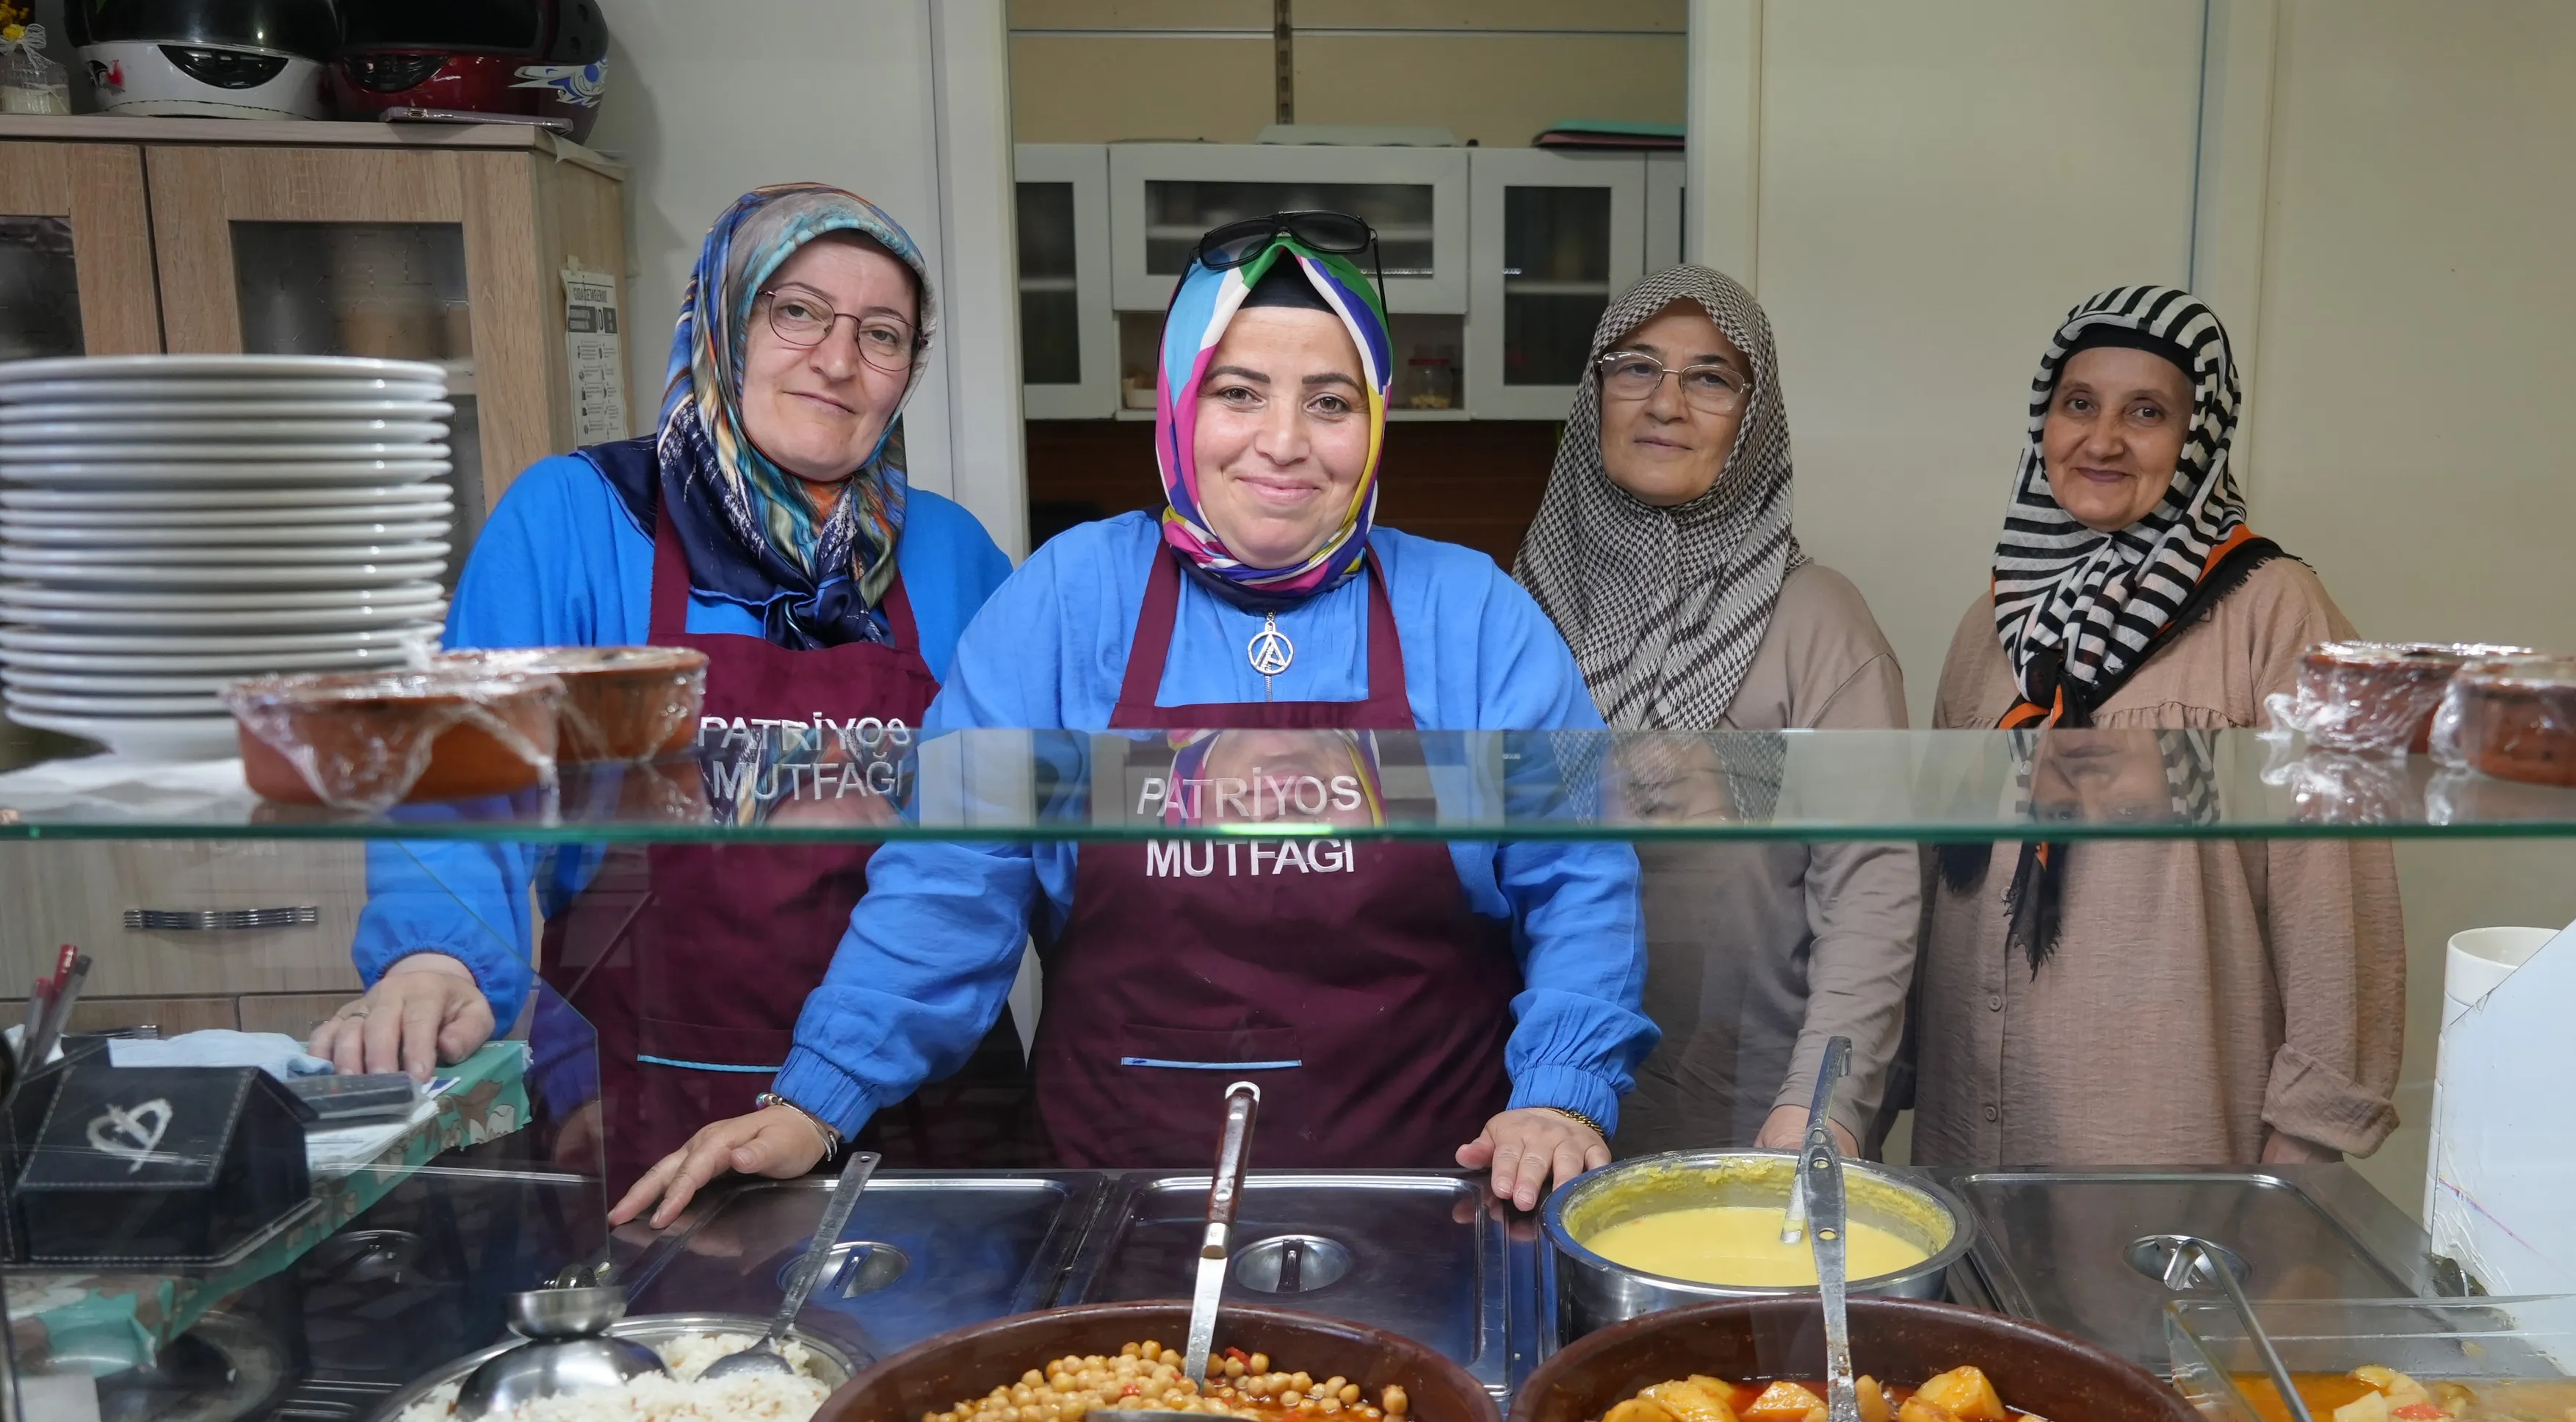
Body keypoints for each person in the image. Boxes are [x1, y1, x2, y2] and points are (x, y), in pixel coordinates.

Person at [612, 212, 1653, 1224]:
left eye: (1331, 403)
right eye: (1239, 393)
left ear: (1379, 418)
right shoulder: (1070, 598)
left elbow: (1580, 877)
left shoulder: (1471, 612)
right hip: (1119, 1191)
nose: (1285, 444)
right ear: (1179, 405)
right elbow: (953, 881)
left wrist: (1560, 1090)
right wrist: (817, 1097)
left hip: (1430, 1185)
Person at [311, 183, 1018, 1175]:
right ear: (724, 319)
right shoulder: (576, 519)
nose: (839, 360)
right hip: (643, 1093)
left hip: (917, 1102)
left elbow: (995, 849)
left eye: (884, 334)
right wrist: (438, 952)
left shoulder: (955, 558)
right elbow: (464, 774)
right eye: (797, 310)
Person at [1911, 284, 2403, 1169]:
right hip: (1968, 1127)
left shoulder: (2277, 611)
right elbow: (1926, 879)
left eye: (2146, 412)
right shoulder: (1989, 626)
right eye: (2078, 404)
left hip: (2164, 1127)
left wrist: (2310, 1139)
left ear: (2197, 438)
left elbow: (2335, 889)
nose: (2101, 440)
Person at [1515, 264, 1917, 1158]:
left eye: (1709, 377)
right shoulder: (1519, 610)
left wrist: (1825, 1104)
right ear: (1594, 397)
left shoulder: (1819, 618)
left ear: (1754, 417)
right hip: (1535, 1112)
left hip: (1757, 1112)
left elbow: (1870, 887)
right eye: (1634, 367)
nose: (1665, 403)